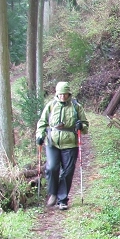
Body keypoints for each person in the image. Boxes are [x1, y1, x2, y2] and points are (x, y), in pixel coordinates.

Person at [36, 82, 89, 210]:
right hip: (52, 142)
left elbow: (86, 126)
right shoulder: (51, 105)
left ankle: (62, 199)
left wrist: (81, 126)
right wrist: (40, 135)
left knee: (68, 171)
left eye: (65, 94)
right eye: (60, 94)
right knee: (52, 168)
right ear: (57, 94)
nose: (63, 97)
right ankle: (53, 193)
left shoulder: (76, 107)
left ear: (69, 94)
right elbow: (42, 122)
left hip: (70, 143)